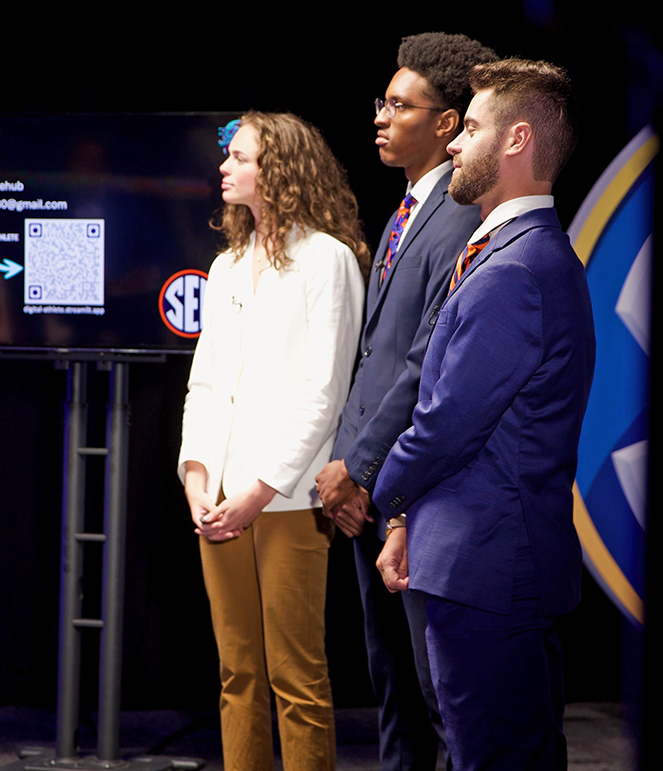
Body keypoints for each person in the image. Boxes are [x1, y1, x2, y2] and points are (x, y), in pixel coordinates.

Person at [372, 59, 595, 771]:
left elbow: (443, 425)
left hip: (489, 569)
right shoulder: (515, 256)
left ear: (516, 140)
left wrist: (385, 493)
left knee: (493, 757)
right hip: (483, 562)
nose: (455, 145)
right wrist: (409, 518)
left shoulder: (515, 272)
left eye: (469, 128)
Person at [315, 32, 497, 771]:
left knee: (435, 692)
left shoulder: (457, 213)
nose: (381, 118)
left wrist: (361, 469)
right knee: (393, 689)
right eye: (381, 103)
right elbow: (371, 360)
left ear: (447, 123)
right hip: (367, 487)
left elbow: (426, 361)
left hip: (410, 494)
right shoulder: (403, 213)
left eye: (400, 105)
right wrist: (343, 465)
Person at [179, 111, 368, 771]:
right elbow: (205, 385)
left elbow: (325, 395)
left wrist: (257, 494)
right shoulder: (226, 265)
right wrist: (199, 482)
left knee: (297, 676)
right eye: (228, 156)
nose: (225, 167)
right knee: (236, 674)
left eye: (240, 157)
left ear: (278, 168)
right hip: (222, 500)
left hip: (284, 500)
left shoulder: (329, 261)